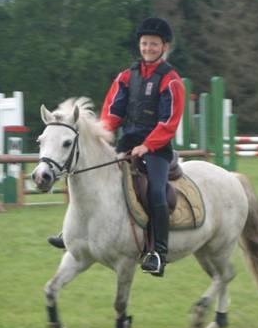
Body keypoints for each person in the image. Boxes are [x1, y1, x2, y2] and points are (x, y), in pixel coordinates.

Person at [47, 17, 185, 277]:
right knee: (86, 177)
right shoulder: (125, 76)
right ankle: (71, 233)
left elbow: (169, 121)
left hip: (157, 149)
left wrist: (147, 145)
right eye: (144, 44)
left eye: (154, 44)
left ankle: (158, 253)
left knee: (156, 192)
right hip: (126, 143)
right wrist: (103, 131)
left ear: (164, 46)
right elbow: (112, 110)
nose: (148, 48)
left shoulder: (172, 80)